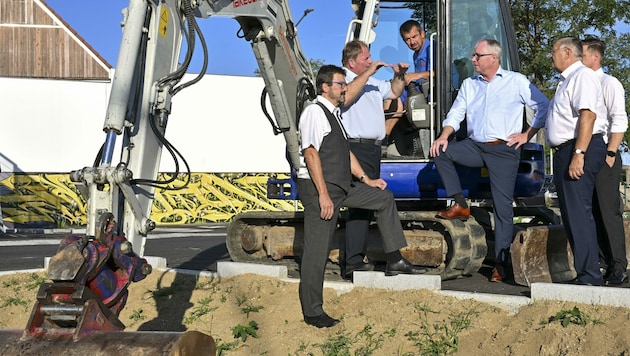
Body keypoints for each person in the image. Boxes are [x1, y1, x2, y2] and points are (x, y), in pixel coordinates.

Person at [296, 64, 426, 328]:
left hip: (342, 185)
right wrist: (323, 195)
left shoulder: (335, 114)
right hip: (322, 189)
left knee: (383, 198)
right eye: (340, 84)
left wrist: (367, 180)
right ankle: (312, 312)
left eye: (345, 84)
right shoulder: (314, 112)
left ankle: (395, 259)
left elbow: (344, 153)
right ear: (325, 87)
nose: (345, 88)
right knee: (317, 252)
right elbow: (310, 154)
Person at [428, 38, 549, 283]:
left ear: (493, 58)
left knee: (503, 209)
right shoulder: (469, 84)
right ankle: (460, 204)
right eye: (474, 56)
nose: (473, 59)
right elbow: (457, 112)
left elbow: (544, 106)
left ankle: (501, 266)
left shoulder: (516, 81)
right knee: (440, 151)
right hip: (474, 146)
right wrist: (443, 136)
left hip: (504, 149)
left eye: (477, 55)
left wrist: (527, 134)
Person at [339, 40, 409, 280]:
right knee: (362, 203)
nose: (371, 62)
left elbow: (395, 91)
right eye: (365, 59)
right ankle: (358, 261)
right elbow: (345, 98)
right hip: (354, 147)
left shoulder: (371, 81)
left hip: (371, 149)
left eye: (369, 58)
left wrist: (400, 75)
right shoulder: (343, 79)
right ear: (351, 62)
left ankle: (354, 261)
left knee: (363, 209)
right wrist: (368, 73)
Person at [545, 36, 608, 286]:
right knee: (573, 216)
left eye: (553, 51)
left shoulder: (582, 76)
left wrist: (578, 155)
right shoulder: (567, 80)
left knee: (578, 214)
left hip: (579, 148)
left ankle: (590, 277)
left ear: (567, 52)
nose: (551, 56)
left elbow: (588, 116)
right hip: (568, 150)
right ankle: (587, 273)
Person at [581, 37, 628, 286]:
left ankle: (618, 265)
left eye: (583, 54)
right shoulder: (580, 84)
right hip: (585, 155)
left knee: (609, 211)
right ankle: (600, 262)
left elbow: (619, 119)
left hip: (605, 154)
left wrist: (610, 152)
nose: (579, 58)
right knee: (591, 211)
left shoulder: (609, 83)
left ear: (595, 57)